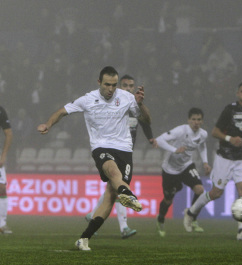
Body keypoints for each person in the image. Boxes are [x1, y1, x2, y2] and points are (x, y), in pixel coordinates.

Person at [37, 66, 151, 250]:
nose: (111, 89)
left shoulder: (127, 97)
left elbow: (147, 120)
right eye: (107, 84)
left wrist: (141, 104)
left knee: (110, 197)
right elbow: (61, 112)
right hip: (101, 147)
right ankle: (127, 194)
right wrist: (48, 124)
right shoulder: (87, 99)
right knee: (112, 171)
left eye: (114, 85)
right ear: (99, 82)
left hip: (124, 150)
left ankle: (84, 238)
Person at [183, 81, 242, 241]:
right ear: (238, 94)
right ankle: (190, 212)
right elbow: (215, 132)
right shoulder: (229, 110)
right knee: (216, 193)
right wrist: (230, 139)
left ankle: (241, 231)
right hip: (225, 157)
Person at [85, 74, 157, 239]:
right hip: (111, 150)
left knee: (113, 188)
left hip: (125, 152)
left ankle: (93, 215)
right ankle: (123, 227)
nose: (129, 89)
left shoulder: (133, 105)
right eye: (125, 86)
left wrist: (150, 137)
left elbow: (144, 120)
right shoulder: (114, 104)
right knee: (119, 187)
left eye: (131, 86)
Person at [155, 108, 211, 237]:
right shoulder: (181, 130)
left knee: (200, 190)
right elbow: (159, 140)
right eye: (193, 119)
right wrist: (174, 150)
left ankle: (192, 217)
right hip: (170, 170)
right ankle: (160, 220)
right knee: (168, 200)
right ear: (188, 120)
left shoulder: (203, 134)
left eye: (199, 120)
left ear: (202, 121)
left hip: (186, 166)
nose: (196, 122)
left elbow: (202, 145)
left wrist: (205, 162)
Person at [0, 106, 13, 234]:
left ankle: (2, 224)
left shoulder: (0, 110)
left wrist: (3, 155)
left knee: (2, 188)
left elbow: (8, 133)